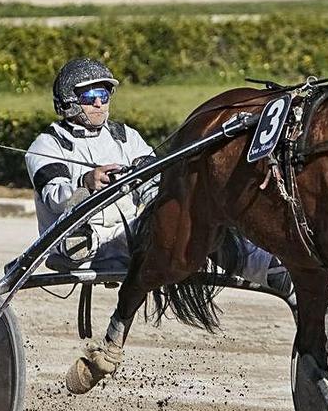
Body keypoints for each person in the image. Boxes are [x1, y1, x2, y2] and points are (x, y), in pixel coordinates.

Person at [25, 58, 291, 294]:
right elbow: (54, 197)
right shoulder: (46, 145)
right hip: (82, 240)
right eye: (90, 95)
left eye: (104, 94)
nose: (99, 102)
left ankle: (274, 273)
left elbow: (156, 184)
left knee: (200, 228)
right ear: (69, 100)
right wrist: (86, 183)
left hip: (133, 234)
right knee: (81, 241)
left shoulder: (126, 136)